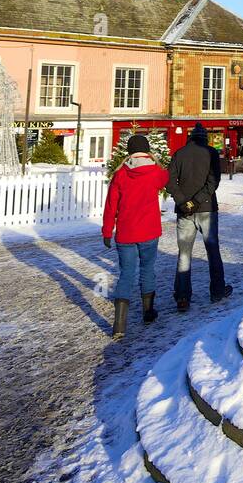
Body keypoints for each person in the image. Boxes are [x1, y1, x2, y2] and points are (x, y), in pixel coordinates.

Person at [102, 133, 169, 340]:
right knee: (147, 270)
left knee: (126, 274)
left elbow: (111, 205)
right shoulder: (155, 172)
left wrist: (107, 231)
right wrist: (155, 161)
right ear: (147, 150)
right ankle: (148, 313)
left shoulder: (120, 174)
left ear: (129, 151)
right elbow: (166, 178)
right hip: (149, 231)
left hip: (126, 232)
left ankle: (119, 325)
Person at [167, 123, 233, 310]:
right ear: (205, 138)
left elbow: (170, 181)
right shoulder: (211, 153)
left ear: (190, 137)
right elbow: (213, 181)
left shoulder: (179, 154)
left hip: (184, 212)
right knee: (213, 252)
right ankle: (217, 291)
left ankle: (182, 297)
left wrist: (183, 202)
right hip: (206, 209)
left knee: (184, 254)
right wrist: (196, 201)